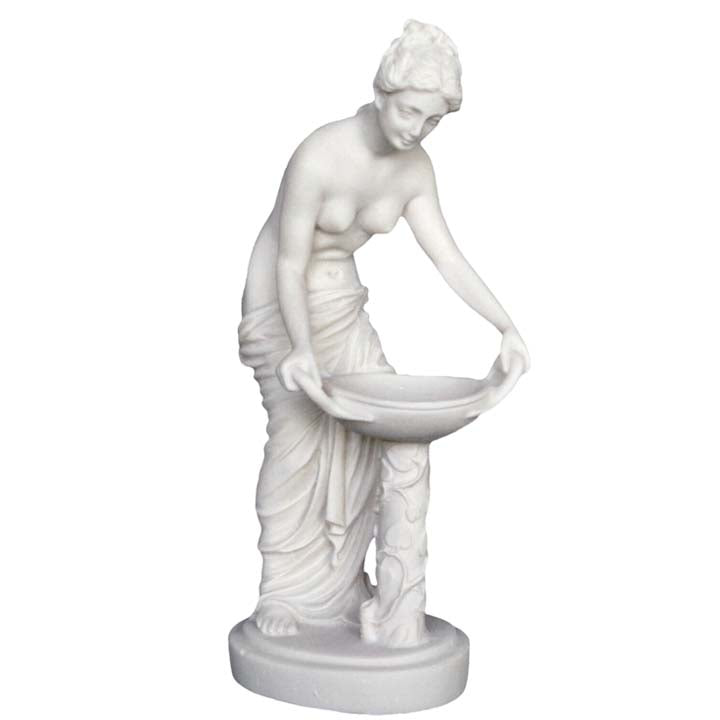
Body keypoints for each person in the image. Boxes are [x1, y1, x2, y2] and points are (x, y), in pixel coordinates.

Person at [239, 19, 530, 637]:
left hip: (340, 301)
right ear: (380, 93)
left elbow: (447, 257)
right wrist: (301, 350)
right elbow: (289, 261)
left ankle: (342, 586)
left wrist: (505, 326)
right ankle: (282, 593)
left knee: (367, 433)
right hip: (280, 304)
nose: (417, 129)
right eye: (409, 112)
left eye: (433, 120)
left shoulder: (414, 169)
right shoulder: (319, 154)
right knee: (297, 443)